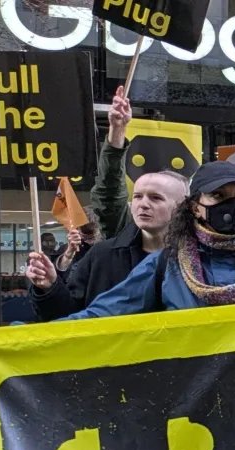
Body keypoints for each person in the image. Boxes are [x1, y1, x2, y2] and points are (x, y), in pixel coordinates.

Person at [52, 161, 235, 319]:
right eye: (218, 195)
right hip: (192, 392)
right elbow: (102, 315)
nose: (232, 204)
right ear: (195, 207)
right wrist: (33, 340)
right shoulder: (165, 266)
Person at [26, 88, 187, 321]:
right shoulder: (104, 256)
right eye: (138, 196)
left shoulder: (198, 258)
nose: (143, 204)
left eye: (156, 198)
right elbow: (69, 316)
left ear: (182, 206)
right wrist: (50, 287)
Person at [53, 207, 103, 273]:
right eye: (85, 237)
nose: (89, 241)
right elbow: (57, 274)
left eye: (91, 237)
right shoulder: (68, 249)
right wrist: (68, 255)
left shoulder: (106, 247)